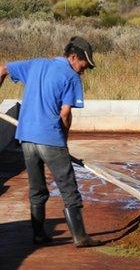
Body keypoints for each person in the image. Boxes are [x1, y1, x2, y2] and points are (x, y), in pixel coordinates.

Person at [0, 36, 101, 247]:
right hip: (50, 138)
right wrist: (63, 137)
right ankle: (81, 237)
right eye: (84, 65)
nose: (84, 70)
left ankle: (38, 235)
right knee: (68, 188)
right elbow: (65, 113)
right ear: (74, 57)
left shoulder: (35, 64)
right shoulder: (72, 77)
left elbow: (2, 69)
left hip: (26, 138)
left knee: (36, 188)